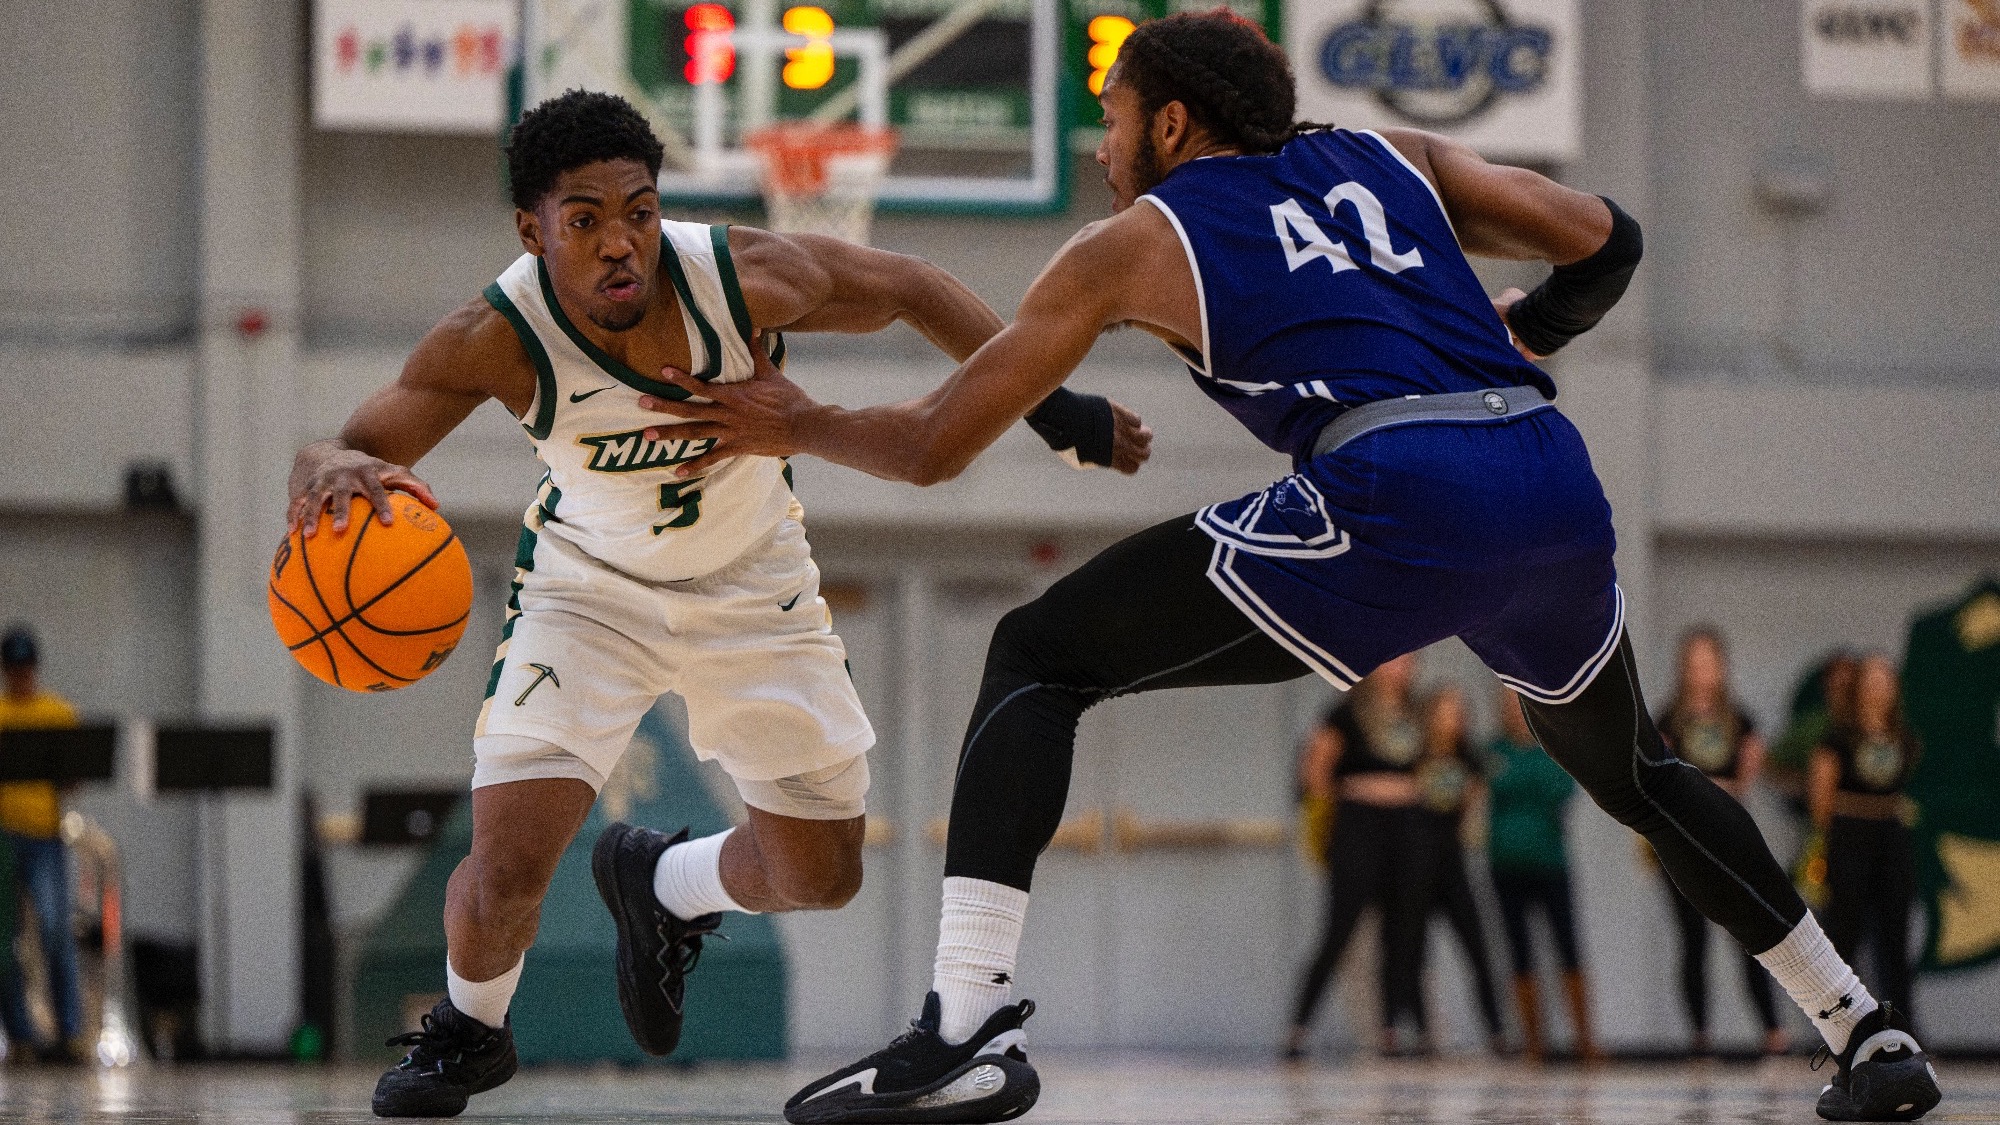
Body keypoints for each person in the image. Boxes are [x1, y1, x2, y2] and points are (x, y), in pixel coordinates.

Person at [645, 13, 1941, 1121]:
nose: (1102, 145)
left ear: (1167, 127)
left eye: (1110, 114)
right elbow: (1607, 240)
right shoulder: (1400, 156)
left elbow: (934, 447)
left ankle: (961, 1029)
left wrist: (797, 420)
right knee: (1643, 771)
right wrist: (1516, 343)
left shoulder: (1139, 239)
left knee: (1039, 654)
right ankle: (1862, 1028)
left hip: (1397, 490)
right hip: (1547, 476)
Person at [284, 90, 1148, 1119]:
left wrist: (1054, 412)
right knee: (510, 862)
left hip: (752, 582)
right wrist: (327, 465)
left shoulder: (738, 279)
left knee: (821, 876)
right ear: (532, 229)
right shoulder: (496, 336)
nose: (620, 244)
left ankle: (662, 884)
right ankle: (469, 1031)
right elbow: (353, 443)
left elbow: (912, 285)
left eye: (639, 211)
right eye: (586, 219)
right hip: (586, 592)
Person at [1284, 654, 1427, 1058]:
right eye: (1394, 659)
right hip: (1358, 830)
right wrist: (1354, 795)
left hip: (1405, 832)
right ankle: (1299, 1027)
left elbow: (1433, 770)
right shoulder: (1345, 713)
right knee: (1339, 930)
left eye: (1409, 659)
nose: (1403, 665)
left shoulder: (1415, 714)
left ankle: (1390, 1030)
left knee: (1400, 933)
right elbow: (1316, 771)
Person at [1654, 628, 1788, 1057]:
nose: (1702, 671)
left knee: (1751, 934)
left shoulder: (1739, 719)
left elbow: (1748, 774)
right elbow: (1658, 775)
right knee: (1692, 937)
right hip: (1683, 837)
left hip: (1729, 835)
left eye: (1709, 661)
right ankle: (1700, 1034)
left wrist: (1724, 785)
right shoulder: (1668, 719)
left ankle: (1772, 1031)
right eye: (1694, 662)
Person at [1485, 689, 1599, 1063]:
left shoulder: (1551, 749)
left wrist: (1518, 787)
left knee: (1568, 946)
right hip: (1505, 865)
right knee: (1519, 951)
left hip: (1550, 862)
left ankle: (1585, 1040)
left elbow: (1561, 790)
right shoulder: (1491, 752)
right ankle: (1534, 1042)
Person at [1810, 656, 1921, 1018]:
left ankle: (1902, 1025)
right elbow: (1822, 796)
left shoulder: (1903, 737)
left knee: (1894, 939)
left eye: (1885, 679)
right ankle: (1840, 1023)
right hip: (1850, 836)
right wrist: (1836, 837)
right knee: (1843, 937)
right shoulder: (1838, 737)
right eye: (1871, 679)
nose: (1878, 687)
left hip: (1890, 837)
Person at [0, 625, 87, 1064]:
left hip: (45, 838)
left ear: (35, 669)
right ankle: (20, 1035)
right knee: (5, 940)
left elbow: (72, 778)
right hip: (2, 839)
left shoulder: (56, 713)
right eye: (13, 669)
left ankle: (69, 1033)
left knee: (55, 930)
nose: (21, 677)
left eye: (26, 668)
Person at [1406, 683, 1506, 1055]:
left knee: (1477, 948)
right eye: (1446, 712)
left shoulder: (1468, 756)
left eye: (1458, 712)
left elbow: (1489, 780)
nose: (1453, 720)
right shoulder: (1415, 754)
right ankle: (1420, 1032)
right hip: (1417, 861)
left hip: (1453, 862)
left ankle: (1496, 1032)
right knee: (1414, 951)